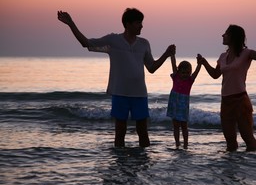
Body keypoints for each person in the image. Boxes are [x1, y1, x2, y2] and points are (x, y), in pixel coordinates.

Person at [57, 8, 175, 148]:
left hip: (139, 93)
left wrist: (166, 54)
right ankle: (120, 164)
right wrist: (71, 23)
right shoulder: (113, 40)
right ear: (128, 24)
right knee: (120, 132)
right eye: (138, 23)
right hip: (120, 93)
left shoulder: (144, 43)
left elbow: (152, 68)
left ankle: (143, 164)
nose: (141, 26)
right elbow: (86, 43)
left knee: (143, 132)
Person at [198, 24, 256, 152]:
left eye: (226, 33)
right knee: (230, 144)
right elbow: (215, 75)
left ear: (233, 37)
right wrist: (204, 63)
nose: (223, 35)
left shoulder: (246, 53)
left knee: (248, 139)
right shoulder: (222, 56)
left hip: (240, 101)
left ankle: (250, 167)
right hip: (226, 102)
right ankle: (232, 169)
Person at [167, 54, 201, 149]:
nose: (185, 75)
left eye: (187, 73)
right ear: (179, 71)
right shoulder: (176, 77)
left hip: (183, 105)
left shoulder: (190, 80)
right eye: (183, 72)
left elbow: (196, 72)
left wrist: (199, 64)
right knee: (176, 125)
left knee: (184, 126)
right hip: (174, 103)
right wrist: (172, 55)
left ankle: (186, 144)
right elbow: (173, 64)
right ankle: (177, 143)